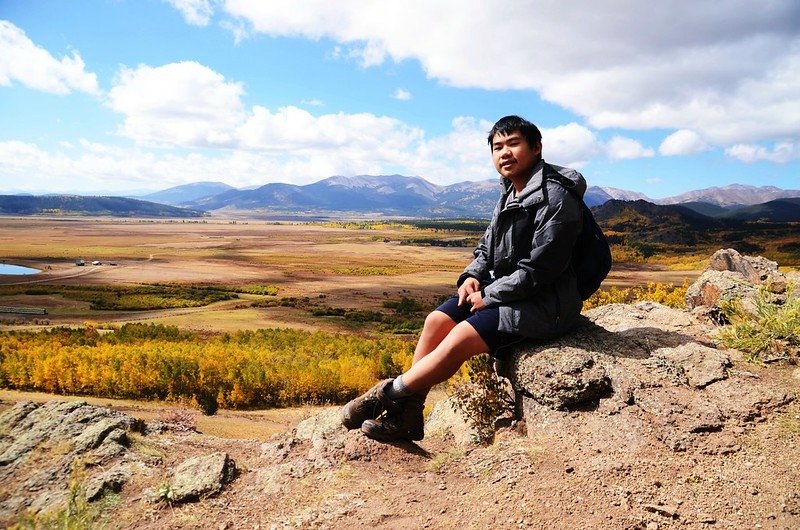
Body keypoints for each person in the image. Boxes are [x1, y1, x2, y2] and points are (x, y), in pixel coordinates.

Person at [341, 115, 587, 442]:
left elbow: (542, 268)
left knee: (458, 338)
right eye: (498, 147)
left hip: (546, 304)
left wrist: (490, 295)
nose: (505, 153)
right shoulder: (511, 191)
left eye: (513, 144)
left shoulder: (556, 197)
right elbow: (487, 247)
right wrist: (471, 276)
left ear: (537, 148)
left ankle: (387, 394)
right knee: (435, 321)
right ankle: (410, 414)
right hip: (510, 293)